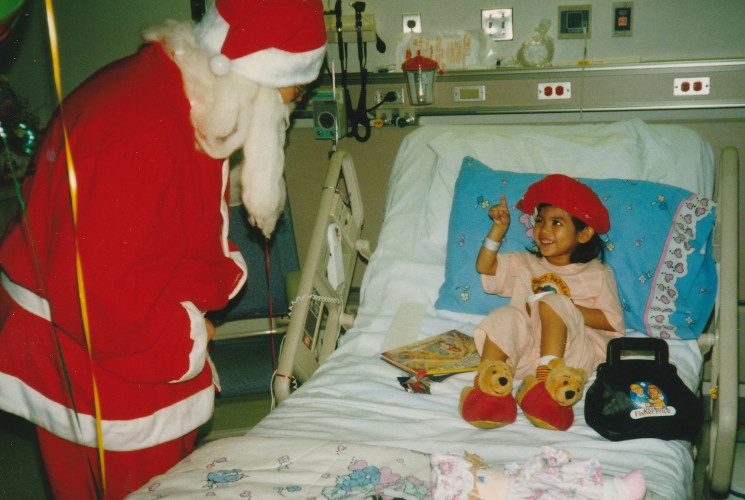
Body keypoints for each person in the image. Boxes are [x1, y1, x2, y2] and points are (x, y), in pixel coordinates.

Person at [0, 0, 326, 498]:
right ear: (255, 71)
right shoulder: (140, 128)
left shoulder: (179, 88)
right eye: (294, 91)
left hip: (114, 337)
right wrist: (190, 336)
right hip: (99, 364)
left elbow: (157, 227)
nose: (292, 107)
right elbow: (103, 303)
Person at [459, 174, 624, 431]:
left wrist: (561, 305)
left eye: (557, 223)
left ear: (584, 234)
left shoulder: (597, 273)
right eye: (539, 221)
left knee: (552, 302)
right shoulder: (526, 263)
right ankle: (488, 388)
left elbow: (612, 322)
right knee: (506, 315)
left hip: (570, 359)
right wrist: (498, 230)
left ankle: (546, 388)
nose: (544, 231)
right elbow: (485, 266)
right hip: (527, 354)